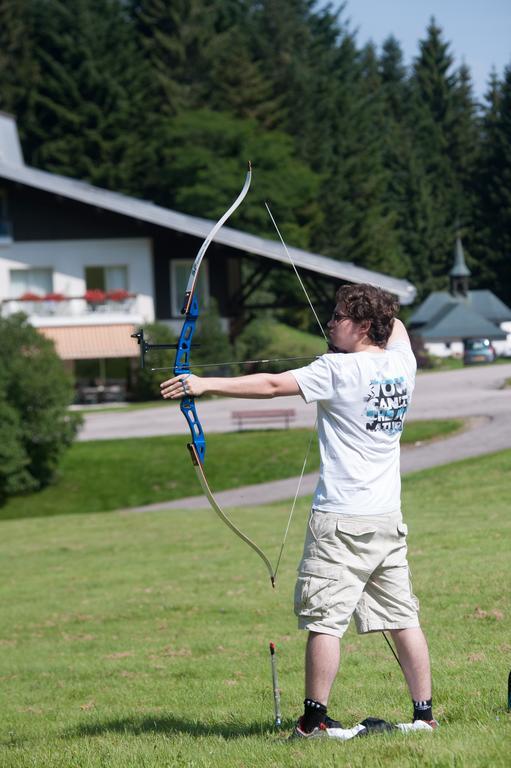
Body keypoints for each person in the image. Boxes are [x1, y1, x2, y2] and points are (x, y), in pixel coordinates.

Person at [160, 283, 435, 737]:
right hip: (387, 517)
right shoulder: (402, 362)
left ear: (365, 326)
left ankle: (313, 722)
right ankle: (424, 716)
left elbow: (271, 384)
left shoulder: (337, 370)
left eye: (340, 317)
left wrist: (203, 382)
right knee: (402, 616)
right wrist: (375, 311)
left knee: (326, 620)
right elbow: (398, 326)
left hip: (341, 519)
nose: (329, 323)